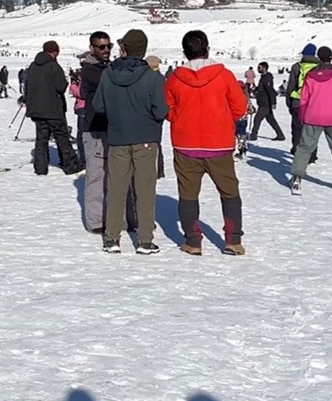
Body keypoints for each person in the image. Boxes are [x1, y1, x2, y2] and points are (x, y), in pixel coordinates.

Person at [165, 30, 247, 256]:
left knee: (188, 195)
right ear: (207, 48)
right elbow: (240, 107)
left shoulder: (174, 78)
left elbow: (167, 109)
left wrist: (182, 119)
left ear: (185, 52)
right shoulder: (224, 75)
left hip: (185, 144)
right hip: (219, 144)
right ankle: (233, 240)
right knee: (229, 192)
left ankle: (193, 241)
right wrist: (221, 120)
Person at [92, 29, 168, 254]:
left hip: (117, 138)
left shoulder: (108, 74)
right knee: (144, 190)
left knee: (116, 189)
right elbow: (161, 110)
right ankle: (144, 240)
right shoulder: (153, 78)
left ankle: (112, 238)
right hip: (146, 139)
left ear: (124, 49)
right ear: (143, 50)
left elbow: (99, 106)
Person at [290, 47, 332, 195]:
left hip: (313, 117)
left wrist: (302, 116)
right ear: (331, 58)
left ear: (318, 58)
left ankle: (297, 177)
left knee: (305, 148)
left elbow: (304, 99)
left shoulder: (311, 76)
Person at [25, 40, 81, 175]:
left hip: (37, 110)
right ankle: (70, 165)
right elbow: (61, 87)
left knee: (41, 139)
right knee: (62, 137)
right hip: (53, 110)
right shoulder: (53, 66)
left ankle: (40, 168)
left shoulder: (33, 66)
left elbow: (28, 87)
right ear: (54, 52)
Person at [77, 32, 112, 232]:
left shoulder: (106, 67)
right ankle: (96, 220)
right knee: (96, 176)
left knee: (111, 175)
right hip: (94, 129)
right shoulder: (91, 70)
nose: (106, 50)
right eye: (101, 47)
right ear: (92, 48)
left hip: (108, 127)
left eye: (109, 46)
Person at [286, 44, 320, 162]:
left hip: (298, 102)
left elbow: (291, 85)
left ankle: (296, 149)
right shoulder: (319, 67)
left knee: (297, 128)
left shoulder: (297, 67)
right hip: (313, 103)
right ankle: (312, 154)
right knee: (312, 130)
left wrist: (289, 102)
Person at [248, 61, 285, 142]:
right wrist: (256, 89)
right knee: (271, 120)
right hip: (262, 102)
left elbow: (270, 91)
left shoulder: (267, 78)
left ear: (264, 68)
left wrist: (273, 102)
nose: (258, 69)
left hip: (265, 103)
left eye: (259, 67)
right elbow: (263, 89)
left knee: (257, 119)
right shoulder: (263, 77)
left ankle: (253, 135)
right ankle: (280, 135)